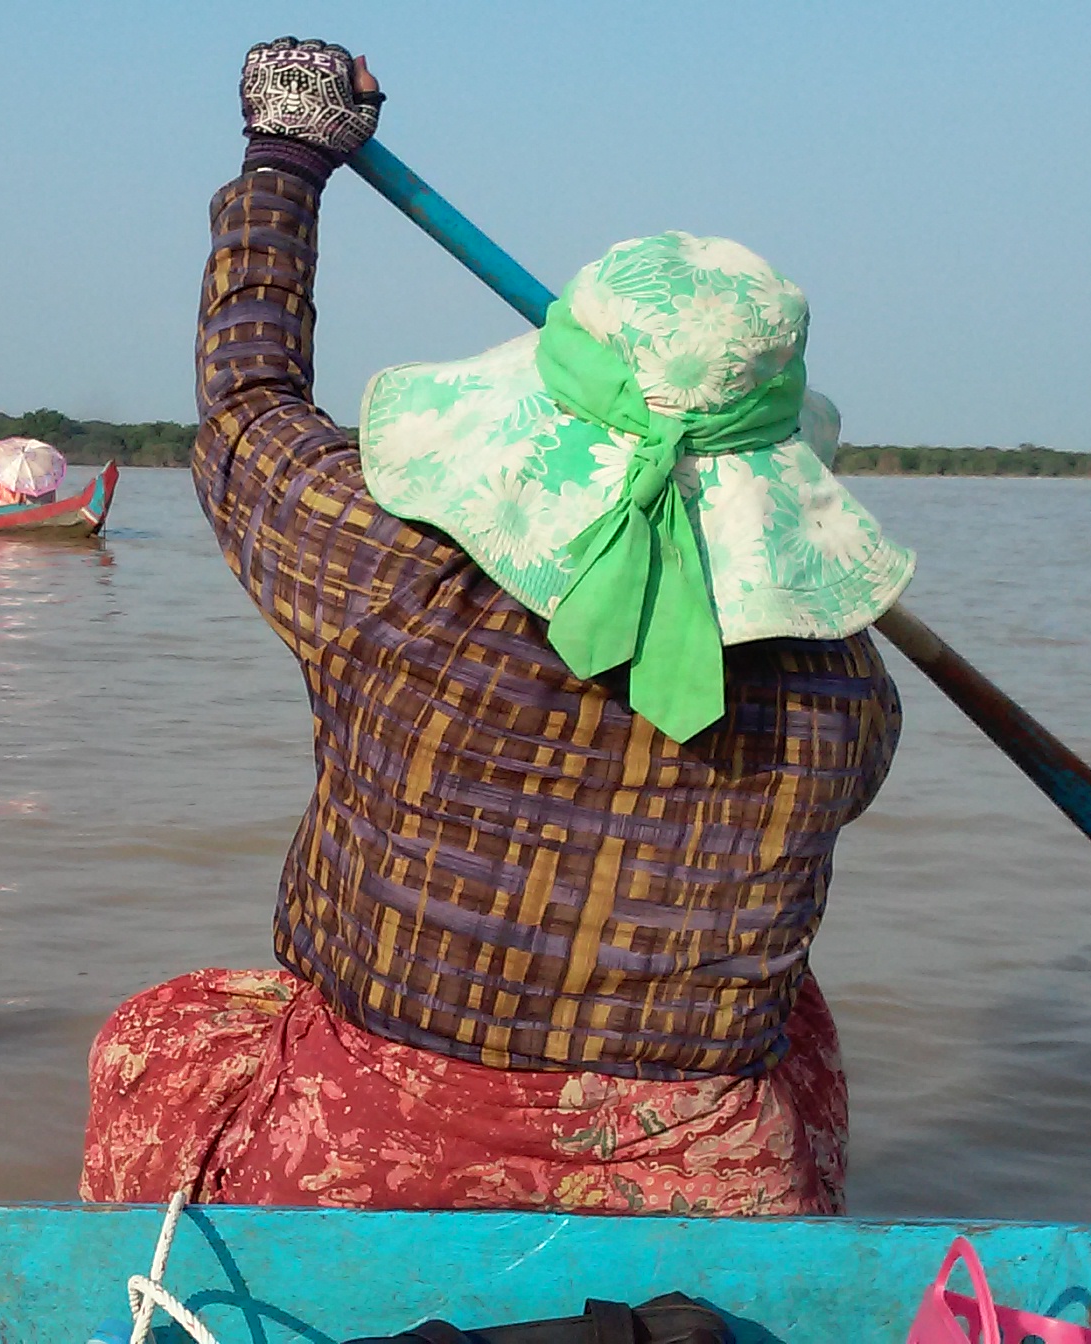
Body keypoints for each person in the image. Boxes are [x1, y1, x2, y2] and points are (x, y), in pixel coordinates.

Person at [80, 39, 918, 1219]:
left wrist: (285, 152)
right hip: (709, 1170)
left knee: (156, 1036)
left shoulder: (388, 571)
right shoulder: (850, 692)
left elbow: (246, 402)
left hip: (373, 1141)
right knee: (800, 1016)